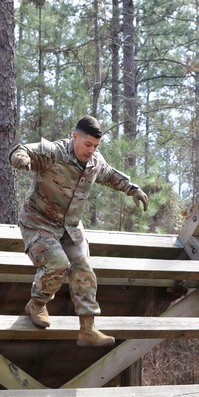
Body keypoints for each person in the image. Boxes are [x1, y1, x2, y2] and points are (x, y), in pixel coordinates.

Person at [9, 115, 149, 347]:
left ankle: (88, 329)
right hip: (38, 221)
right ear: (75, 137)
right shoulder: (54, 152)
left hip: (70, 227)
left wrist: (132, 189)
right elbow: (21, 150)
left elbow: (110, 175)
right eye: (87, 145)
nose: (91, 150)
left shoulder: (94, 161)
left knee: (84, 268)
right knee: (58, 264)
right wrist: (21, 159)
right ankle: (38, 302)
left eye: (96, 146)